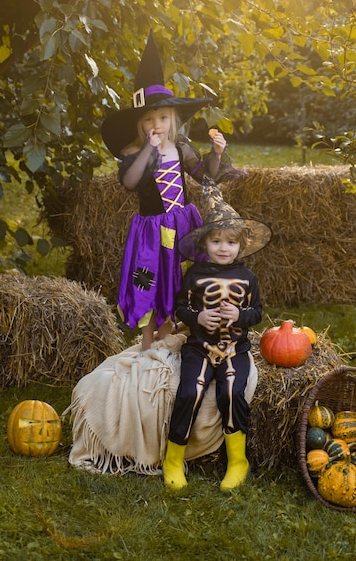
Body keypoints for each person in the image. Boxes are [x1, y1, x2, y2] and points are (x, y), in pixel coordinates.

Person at [101, 30, 243, 350]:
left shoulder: (179, 145)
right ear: (140, 122)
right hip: (153, 229)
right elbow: (130, 182)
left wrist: (217, 153)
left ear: (172, 119)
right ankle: (150, 343)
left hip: (183, 223)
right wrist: (148, 152)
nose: (157, 124)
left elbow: (203, 174)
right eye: (150, 118)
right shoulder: (133, 151)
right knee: (154, 281)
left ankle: (182, 331)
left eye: (163, 117)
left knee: (183, 277)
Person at [163, 177, 272, 491]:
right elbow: (180, 309)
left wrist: (240, 315)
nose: (224, 248)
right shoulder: (194, 274)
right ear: (205, 243)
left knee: (232, 392)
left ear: (240, 245)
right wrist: (199, 317)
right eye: (216, 242)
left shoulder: (247, 277)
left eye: (231, 242)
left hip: (234, 348)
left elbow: (257, 312)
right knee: (189, 392)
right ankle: (173, 459)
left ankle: (238, 461)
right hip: (199, 346)